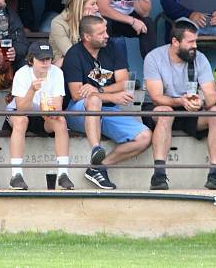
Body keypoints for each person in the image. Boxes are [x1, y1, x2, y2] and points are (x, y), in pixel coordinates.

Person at [63, 15, 152, 190]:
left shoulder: (112, 48)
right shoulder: (74, 54)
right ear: (87, 37)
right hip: (78, 112)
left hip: (108, 111)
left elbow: (124, 82)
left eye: (106, 31)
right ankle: (96, 148)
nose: (106, 35)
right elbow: (76, 94)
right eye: (101, 33)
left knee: (145, 137)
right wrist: (110, 96)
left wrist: (99, 91)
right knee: (93, 101)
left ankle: (98, 166)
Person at [142, 18, 216, 190]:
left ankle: (214, 174)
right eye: (190, 42)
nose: (195, 45)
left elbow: (211, 94)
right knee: (166, 113)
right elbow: (156, 96)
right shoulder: (154, 57)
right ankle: (159, 175)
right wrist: (179, 101)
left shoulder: (199, 58)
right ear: (175, 42)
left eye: (196, 41)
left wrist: (200, 102)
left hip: (190, 108)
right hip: (160, 107)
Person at [5, 42, 74, 190]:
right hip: (20, 112)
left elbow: (57, 107)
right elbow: (21, 108)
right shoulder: (22, 73)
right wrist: (32, 90)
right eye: (41, 59)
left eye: (48, 59)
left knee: (61, 121)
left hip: (44, 115)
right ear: (31, 60)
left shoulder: (56, 72)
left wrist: (49, 113)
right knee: (21, 121)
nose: (45, 62)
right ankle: (16, 175)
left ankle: (63, 174)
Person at [49, 0, 99, 67]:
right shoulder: (58, 23)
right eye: (92, 4)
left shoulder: (95, 19)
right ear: (80, 5)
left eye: (96, 4)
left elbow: (100, 47)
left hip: (89, 62)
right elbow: (71, 53)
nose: (97, 8)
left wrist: (90, 23)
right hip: (67, 64)